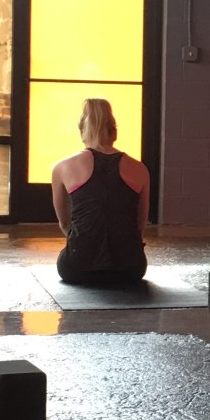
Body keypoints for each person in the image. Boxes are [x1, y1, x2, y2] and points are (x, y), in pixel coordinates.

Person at [50, 99, 149, 285]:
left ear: (82, 130)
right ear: (114, 131)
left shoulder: (62, 167)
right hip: (130, 269)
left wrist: (86, 249)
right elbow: (139, 225)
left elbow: (65, 223)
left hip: (77, 268)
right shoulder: (139, 169)